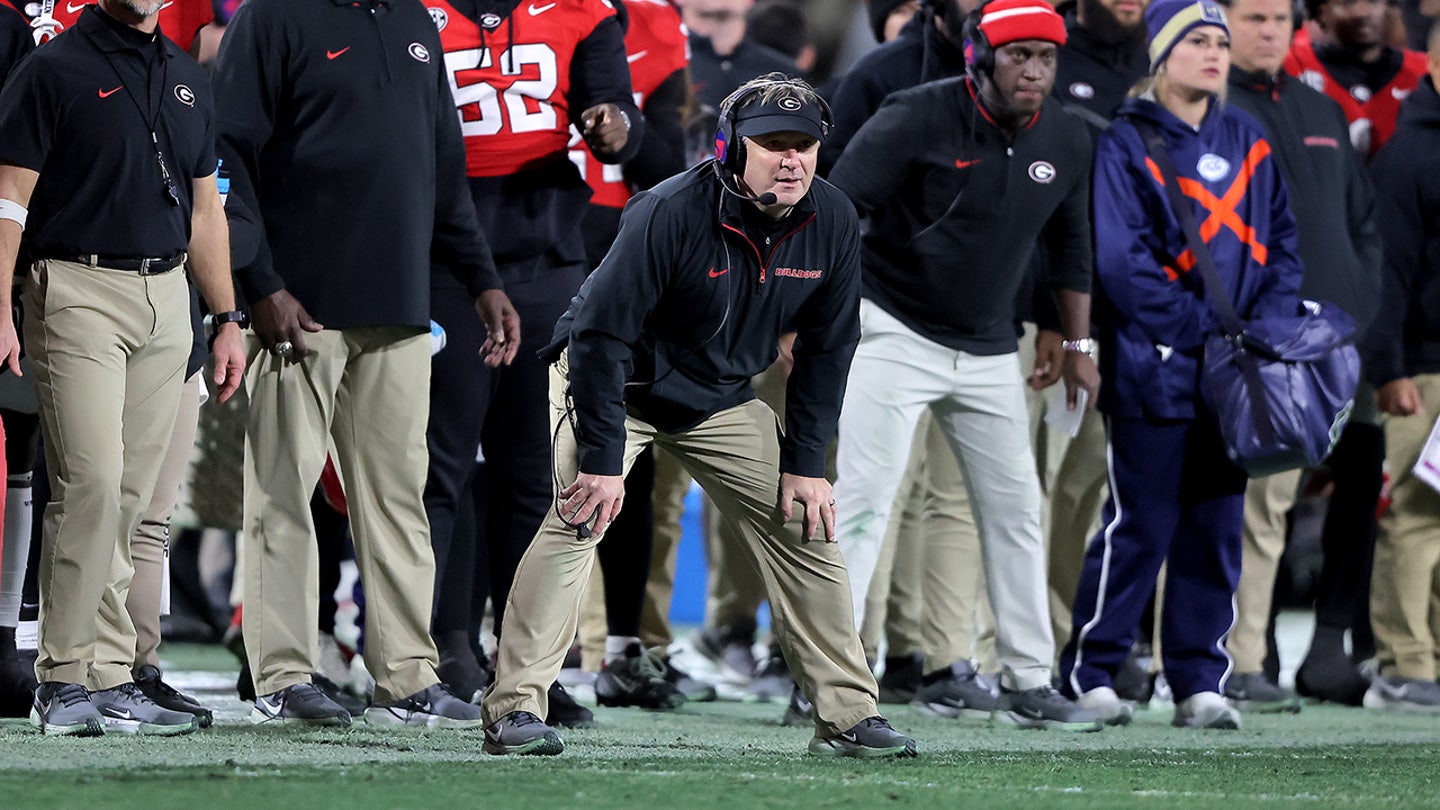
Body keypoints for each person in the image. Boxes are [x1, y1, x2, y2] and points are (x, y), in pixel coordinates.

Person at [480, 73, 917, 760]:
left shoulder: (831, 219)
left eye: (803, 145)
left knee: (808, 526)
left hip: (717, 392)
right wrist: (600, 459)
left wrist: (806, 466)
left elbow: (831, 348)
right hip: (617, 381)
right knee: (577, 520)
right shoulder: (667, 211)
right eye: (772, 144)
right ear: (729, 149)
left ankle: (847, 716)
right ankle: (514, 710)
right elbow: (599, 337)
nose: (791, 159)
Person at [212, 0, 519, 729]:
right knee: (283, 495)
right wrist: (259, 284)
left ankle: (405, 678)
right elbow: (227, 156)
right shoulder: (273, 16)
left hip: (401, 306)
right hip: (299, 310)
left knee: (398, 497)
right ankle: (283, 675)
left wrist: (481, 278)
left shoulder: (414, 21)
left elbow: (444, 161)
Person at [828, 0, 1103, 732]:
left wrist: (1073, 342)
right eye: (1020, 56)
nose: (1035, 72)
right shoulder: (913, 113)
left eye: (1047, 58)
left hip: (988, 343)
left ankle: (1028, 676)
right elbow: (834, 209)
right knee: (861, 503)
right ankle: (828, 676)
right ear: (979, 55)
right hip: (891, 324)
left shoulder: (1068, 136)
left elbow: (1071, 244)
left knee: (1016, 511)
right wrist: (812, 321)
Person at [0, 0, 246, 736]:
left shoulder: (186, 77)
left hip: (168, 295)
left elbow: (207, 211)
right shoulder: (51, 69)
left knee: (135, 499)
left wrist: (227, 316)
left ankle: (110, 675)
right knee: (93, 483)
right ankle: (62, 676)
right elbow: (9, 198)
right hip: (76, 288)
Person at [1059, 0, 1305, 730]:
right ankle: (1092, 672)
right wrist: (1207, 331)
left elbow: (1285, 246)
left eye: (1219, 42)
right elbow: (1122, 264)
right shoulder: (1125, 142)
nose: (1213, 54)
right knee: (1138, 524)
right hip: (1154, 367)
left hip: (1234, 375)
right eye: (1196, 41)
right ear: (1162, 53)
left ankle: (1199, 679)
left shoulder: (1250, 139)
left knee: (1217, 526)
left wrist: (1266, 328)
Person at [421, 0, 642, 729]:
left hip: (545, 258)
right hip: (443, 262)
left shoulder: (582, 13)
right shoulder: (413, 12)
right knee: (441, 467)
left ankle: (525, 664)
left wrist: (611, 127)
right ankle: (445, 647)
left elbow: (618, 119)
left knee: (533, 472)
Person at [1218, 0, 1384, 712]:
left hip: (1343, 345)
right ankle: (1242, 659)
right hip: (1267, 346)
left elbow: (1364, 225)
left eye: (1280, 19)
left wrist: (1363, 310)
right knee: (1260, 506)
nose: (1269, 31)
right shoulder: (1212, 109)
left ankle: (1322, 645)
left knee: (1363, 486)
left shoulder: (1319, 110)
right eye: (1254, 17)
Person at [1360, 22, 1440, 713]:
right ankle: (1403, 665)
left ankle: (1429, 657)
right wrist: (1389, 367)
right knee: (1417, 517)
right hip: (1425, 368)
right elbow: (1386, 274)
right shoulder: (1411, 154)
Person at [1284, 0, 1428, 156]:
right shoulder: (1292, 66)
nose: (1362, 12)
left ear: (1388, 6)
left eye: (1373, 1)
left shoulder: (1424, 71)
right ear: (1321, 11)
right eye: (1348, 2)